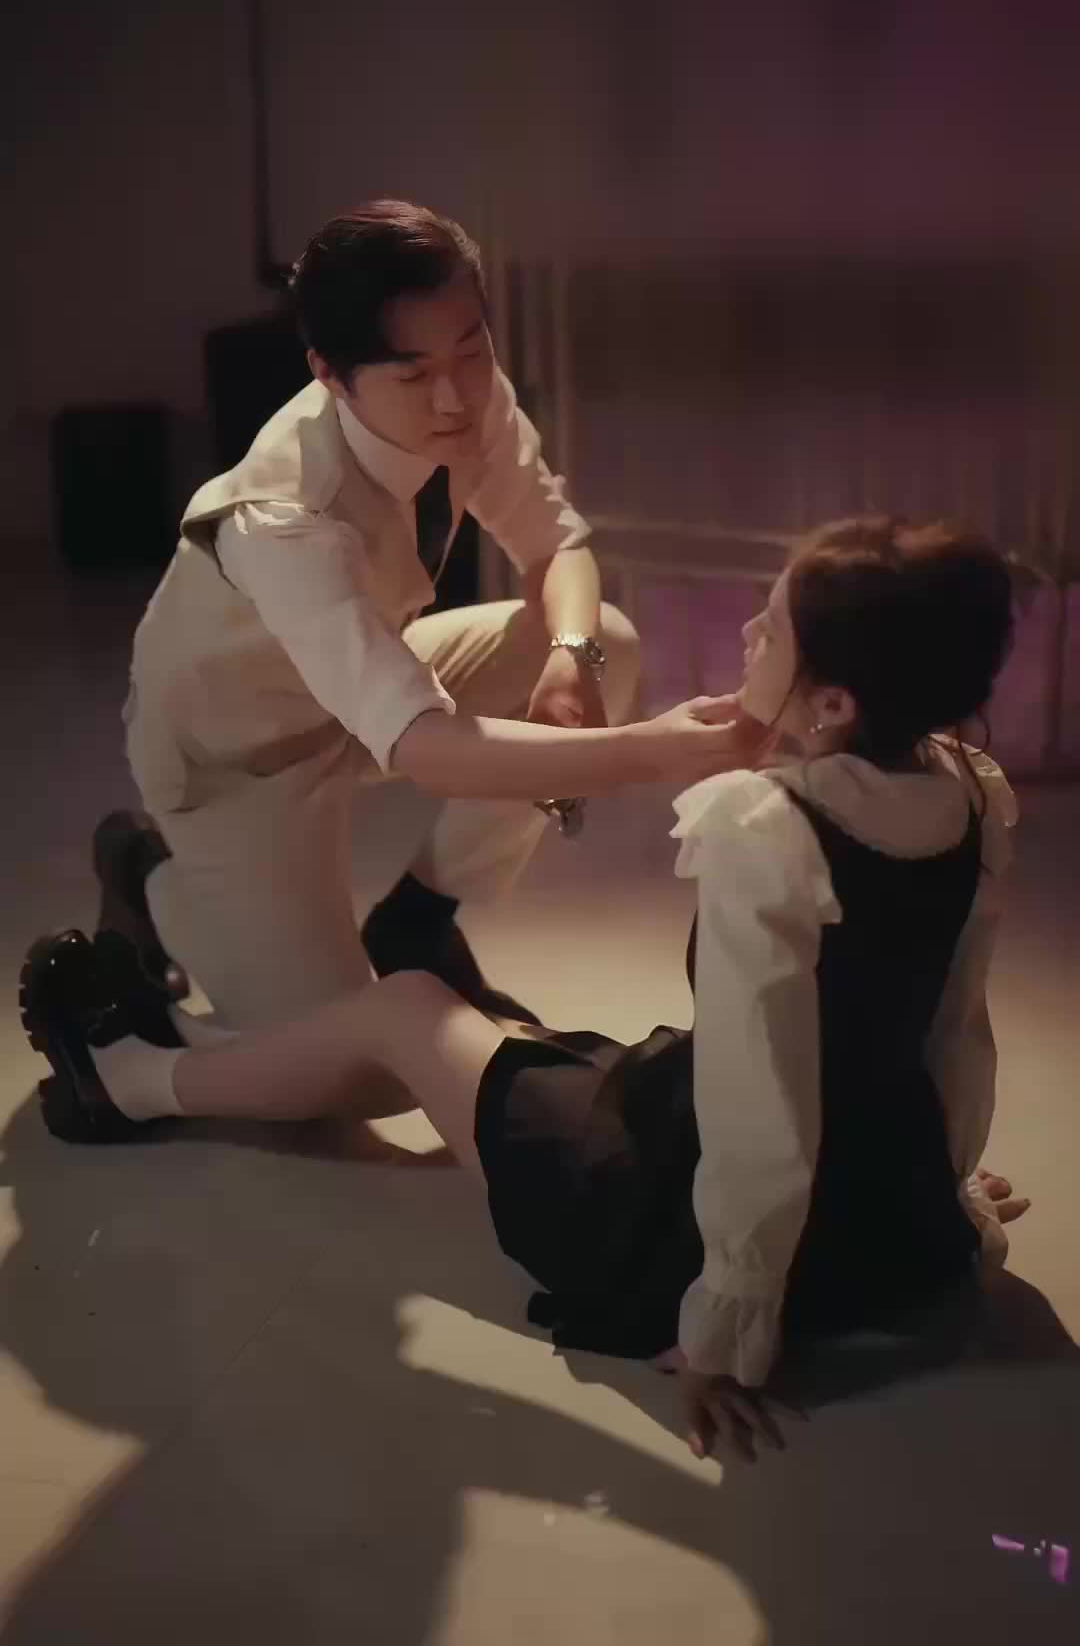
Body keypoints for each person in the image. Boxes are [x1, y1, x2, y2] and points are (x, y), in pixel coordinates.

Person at [21, 515, 1028, 1460]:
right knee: (524, 1042)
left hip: (687, 1227)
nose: (747, 634)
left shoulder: (769, 831)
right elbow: (952, 1028)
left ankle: (129, 1081)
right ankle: (189, 1019)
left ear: (834, 704)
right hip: (877, 1211)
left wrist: (725, 1326)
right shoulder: (969, 790)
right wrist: (930, 1188)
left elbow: (759, 1108)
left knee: (402, 1010)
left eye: (770, 629)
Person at [80, 199, 745, 1099]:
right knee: (360, 1076)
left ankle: (419, 919)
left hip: (367, 688)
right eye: (414, 372)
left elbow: (557, 546)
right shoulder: (284, 516)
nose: (455, 396)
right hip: (238, 761)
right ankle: (152, 883)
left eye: (471, 350)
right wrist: (652, 751)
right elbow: (425, 747)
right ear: (330, 375)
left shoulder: (471, 400)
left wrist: (570, 658)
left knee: (605, 643)